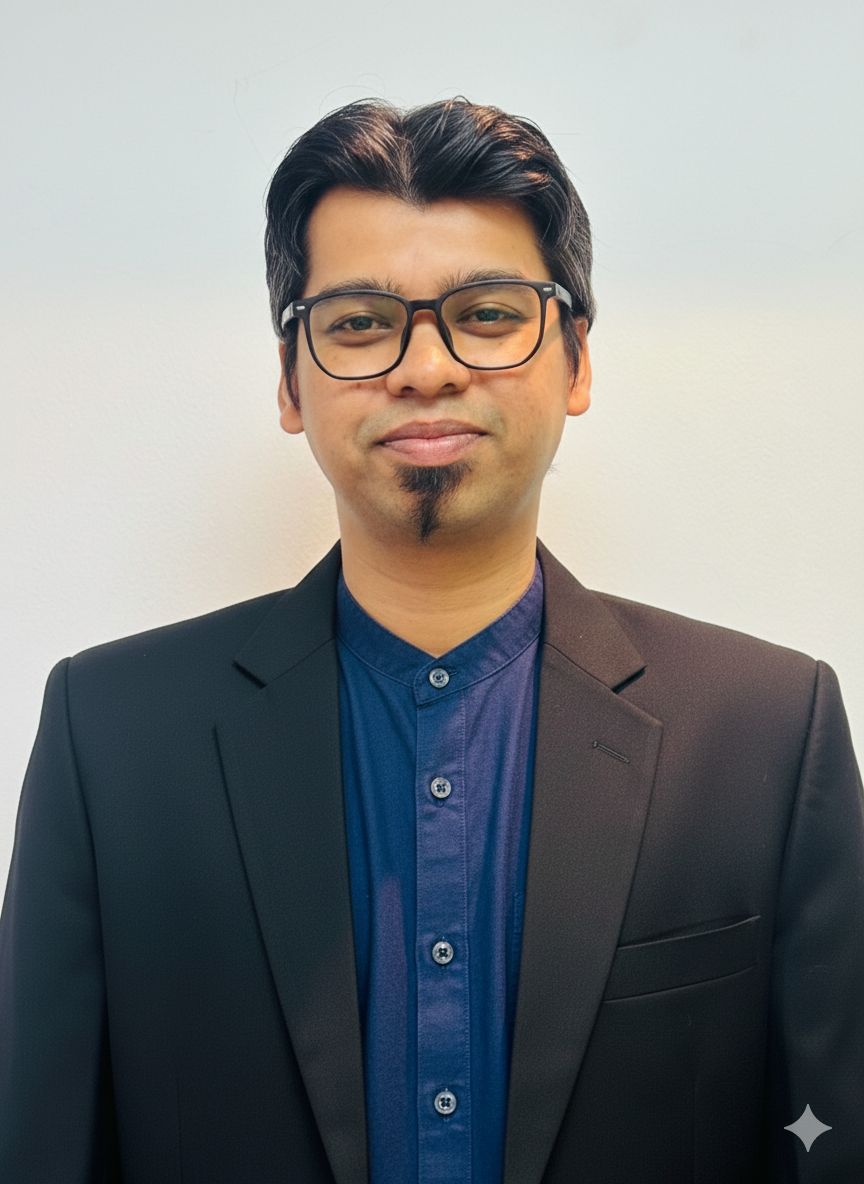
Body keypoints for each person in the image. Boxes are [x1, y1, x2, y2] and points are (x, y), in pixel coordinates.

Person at [1, 96, 862, 1184]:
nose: (425, 368)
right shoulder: (112, 739)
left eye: (487, 314)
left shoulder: (765, 735)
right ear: (290, 380)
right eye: (360, 322)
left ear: (576, 362)